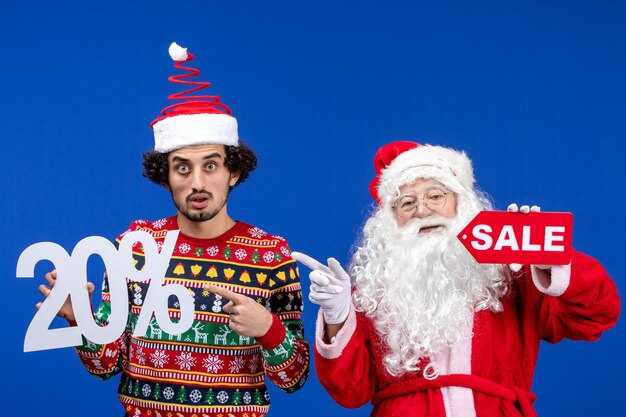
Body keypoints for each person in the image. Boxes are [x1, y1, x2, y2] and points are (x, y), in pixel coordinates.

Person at [37, 42, 309, 417]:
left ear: (234, 172)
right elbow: (106, 365)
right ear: (164, 177)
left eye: (211, 166)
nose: (197, 182)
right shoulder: (133, 248)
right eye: (182, 167)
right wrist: (78, 316)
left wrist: (269, 329)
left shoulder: (271, 255)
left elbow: (294, 378)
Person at [292, 141, 619, 417]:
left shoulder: (511, 271)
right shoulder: (373, 290)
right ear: (391, 221)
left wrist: (549, 258)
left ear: (461, 203)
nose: (422, 210)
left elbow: (596, 316)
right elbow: (351, 392)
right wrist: (337, 317)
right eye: (407, 203)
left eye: (436, 196)